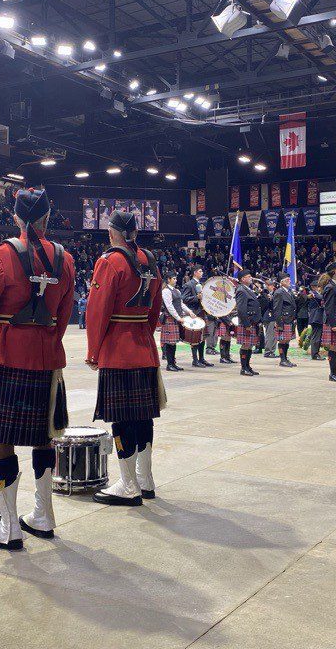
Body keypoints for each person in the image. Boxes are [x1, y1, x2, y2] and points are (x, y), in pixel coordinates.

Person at [0, 188, 74, 548]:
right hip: (46, 354)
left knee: (3, 440)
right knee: (45, 436)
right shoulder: (65, 259)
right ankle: (43, 515)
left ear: (15, 218)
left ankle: (8, 525)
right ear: (46, 218)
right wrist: (49, 340)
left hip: (7, 353)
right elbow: (65, 314)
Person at [85, 210, 163, 506]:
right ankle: (146, 479)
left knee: (121, 419)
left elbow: (97, 311)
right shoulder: (151, 260)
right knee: (143, 417)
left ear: (112, 232)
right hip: (145, 347)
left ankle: (127, 484)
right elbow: (154, 310)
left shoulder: (109, 261)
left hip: (118, 350)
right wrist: (144, 333)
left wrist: (94, 350)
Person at [160, 272, 194, 373]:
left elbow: (181, 304)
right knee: (170, 343)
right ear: (168, 280)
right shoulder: (166, 291)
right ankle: (169, 364)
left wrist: (190, 312)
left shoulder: (177, 290)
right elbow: (169, 306)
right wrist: (178, 317)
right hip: (170, 318)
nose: (175, 280)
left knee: (173, 343)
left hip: (175, 318)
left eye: (175, 278)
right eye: (173, 278)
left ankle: (173, 363)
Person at [180, 266, 213, 367]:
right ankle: (195, 360)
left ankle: (202, 358)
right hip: (194, 313)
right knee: (195, 338)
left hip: (202, 312)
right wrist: (196, 297)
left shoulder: (201, 285)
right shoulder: (188, 285)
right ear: (195, 273)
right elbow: (184, 299)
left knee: (202, 337)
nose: (202, 273)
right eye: (200, 271)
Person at [234, 270, 261, 376]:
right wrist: (246, 324)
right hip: (247, 322)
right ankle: (243, 368)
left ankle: (248, 366)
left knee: (250, 346)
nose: (251, 278)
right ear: (242, 279)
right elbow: (241, 309)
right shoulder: (241, 290)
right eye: (248, 276)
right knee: (246, 345)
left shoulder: (248, 289)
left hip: (252, 321)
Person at [272, 273, 299, 368]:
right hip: (283, 320)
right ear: (282, 282)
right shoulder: (279, 292)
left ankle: (285, 358)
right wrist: (279, 323)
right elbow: (277, 309)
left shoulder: (289, 291)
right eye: (287, 280)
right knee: (283, 341)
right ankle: (282, 360)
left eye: (289, 279)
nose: (290, 281)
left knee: (287, 340)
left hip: (290, 319)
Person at [306, 284, 325, 360]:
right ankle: (314, 354)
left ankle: (316, 353)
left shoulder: (316, 294)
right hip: (316, 318)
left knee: (318, 336)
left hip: (318, 318)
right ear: (314, 287)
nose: (320, 288)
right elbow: (322, 298)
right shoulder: (314, 294)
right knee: (316, 337)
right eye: (318, 286)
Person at [260, 278, 277, 358]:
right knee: (269, 335)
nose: (271, 287)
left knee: (274, 335)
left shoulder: (274, 293)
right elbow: (264, 306)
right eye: (269, 285)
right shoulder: (263, 294)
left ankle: (272, 351)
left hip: (274, 316)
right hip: (268, 316)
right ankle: (268, 351)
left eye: (272, 285)